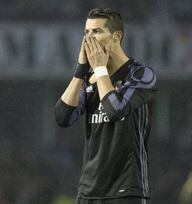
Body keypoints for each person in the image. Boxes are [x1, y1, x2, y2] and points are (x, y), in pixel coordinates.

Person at [54, 8, 156, 204]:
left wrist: (100, 68)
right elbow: (62, 117)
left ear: (116, 37)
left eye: (97, 32)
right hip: (89, 191)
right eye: (86, 32)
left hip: (126, 190)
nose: (88, 39)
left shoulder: (142, 75)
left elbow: (114, 110)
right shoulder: (90, 79)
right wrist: (80, 72)